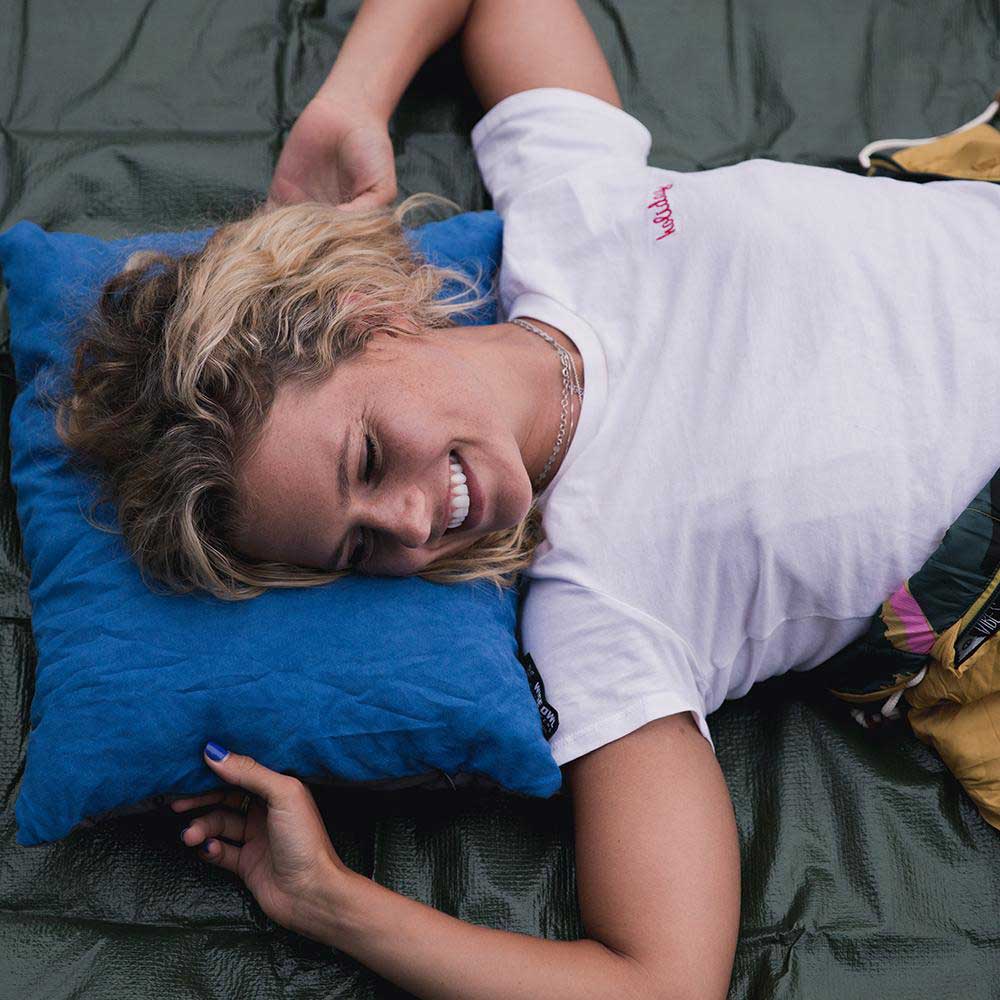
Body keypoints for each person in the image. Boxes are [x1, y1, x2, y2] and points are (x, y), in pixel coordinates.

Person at [49, 1, 1000, 997]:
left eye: (369, 459)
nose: (411, 524)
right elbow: (664, 980)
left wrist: (353, 96)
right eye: (358, 550)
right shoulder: (597, 620)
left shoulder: (566, 210)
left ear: (364, 315)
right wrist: (329, 897)